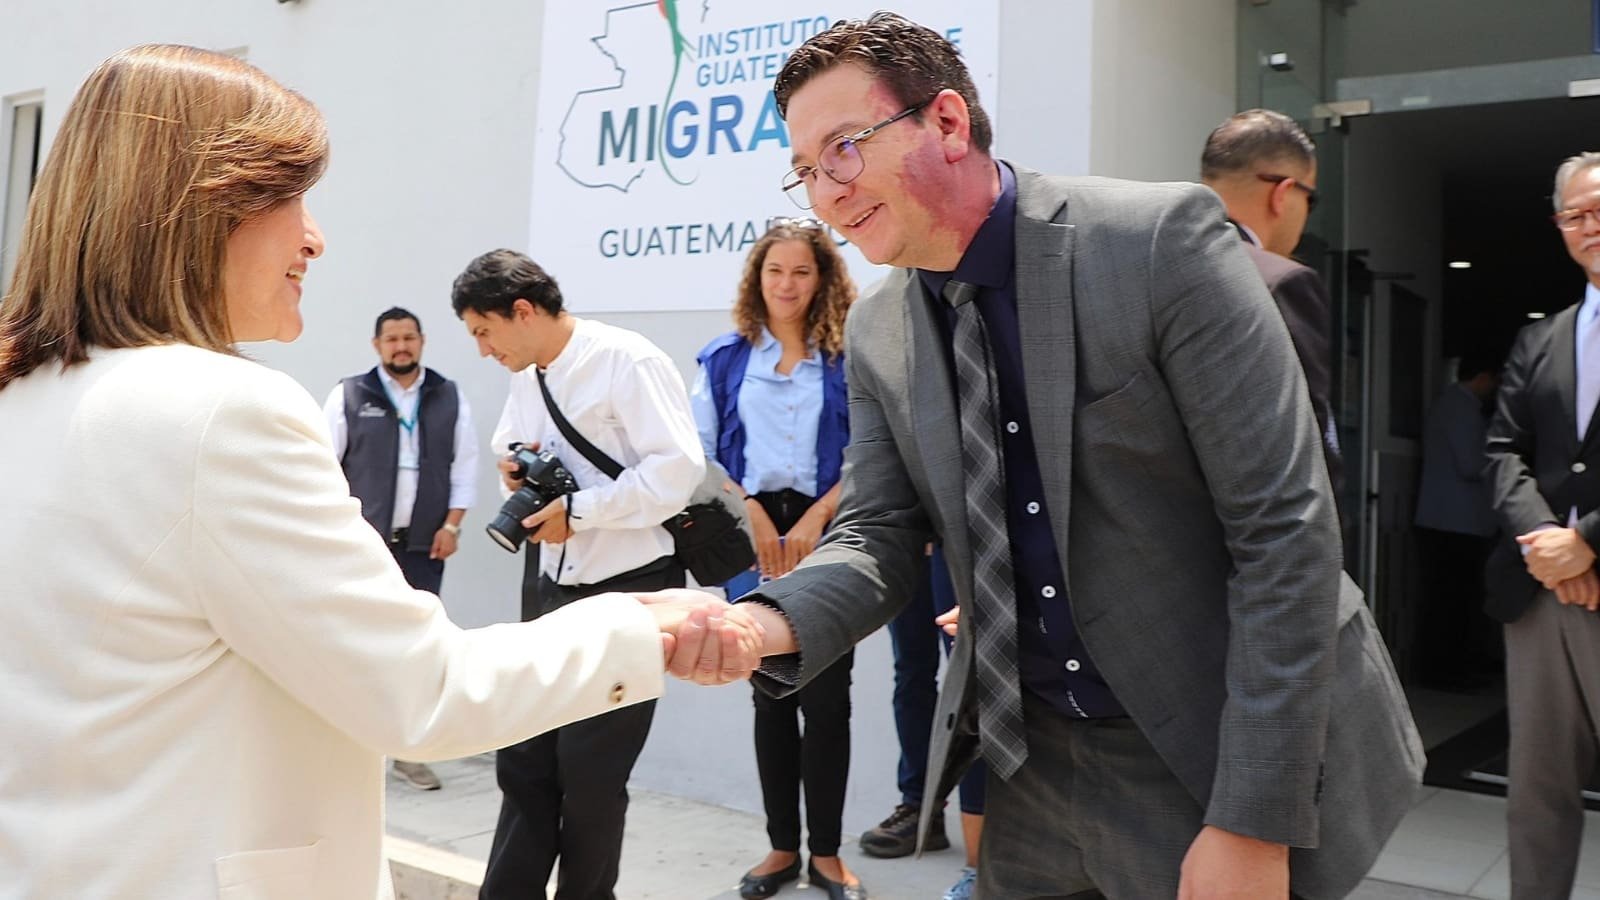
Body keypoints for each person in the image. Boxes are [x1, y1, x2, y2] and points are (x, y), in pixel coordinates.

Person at [657, 13, 1422, 898]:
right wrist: (754, 624)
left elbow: (1283, 531)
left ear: (947, 122)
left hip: (1203, 744)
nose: (826, 194)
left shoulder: (1155, 242)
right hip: (1026, 761)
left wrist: (1253, 817)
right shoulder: (878, 329)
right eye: (805, 170)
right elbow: (877, 535)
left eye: (843, 149)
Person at [0, 44, 755, 900]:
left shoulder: (26, 395)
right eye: (290, 197)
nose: (314, 237)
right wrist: (639, 626)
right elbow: (424, 694)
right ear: (197, 208)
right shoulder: (223, 412)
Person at [451, 248, 706, 900]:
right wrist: (515, 470)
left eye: (484, 331)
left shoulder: (628, 361)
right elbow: (510, 444)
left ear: (522, 311)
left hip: (629, 589)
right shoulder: (527, 372)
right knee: (524, 758)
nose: (482, 349)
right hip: (547, 584)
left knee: (591, 779)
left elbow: (677, 473)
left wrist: (582, 512)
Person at [689, 219, 862, 899]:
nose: (786, 285)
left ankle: (828, 856)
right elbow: (701, 455)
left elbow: (871, 449)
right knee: (769, 694)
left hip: (829, 529)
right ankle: (781, 848)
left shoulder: (848, 357)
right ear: (756, 279)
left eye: (801, 272)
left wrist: (818, 518)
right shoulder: (725, 358)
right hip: (751, 529)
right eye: (775, 271)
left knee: (829, 700)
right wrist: (755, 514)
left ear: (822, 281)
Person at [1484, 150, 1600, 900]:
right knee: (1538, 793)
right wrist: (1549, 547)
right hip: (1540, 595)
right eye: (1576, 215)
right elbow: (1503, 451)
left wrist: (1588, 542)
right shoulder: (1541, 338)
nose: (1591, 226)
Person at [324, 306, 479, 791]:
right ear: (377, 346)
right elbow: (324, 470)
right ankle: (349, 750)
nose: (401, 346)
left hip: (424, 546)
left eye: (409, 337)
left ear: (422, 341)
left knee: (417, 650)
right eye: (391, 339)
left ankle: (409, 755)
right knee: (356, 647)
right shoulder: (351, 395)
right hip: (364, 547)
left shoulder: (447, 395)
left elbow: (465, 467)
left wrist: (452, 526)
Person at [1200, 109, 1342, 500]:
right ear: (1283, 194)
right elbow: (1304, 452)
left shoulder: (1138, 266)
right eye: (1310, 199)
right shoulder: (1280, 281)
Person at [859, 546, 986, 900]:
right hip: (910, 543)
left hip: (956, 540)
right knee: (911, 674)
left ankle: (980, 858)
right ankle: (920, 810)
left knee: (970, 684)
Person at [1413, 350, 1500, 689]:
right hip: (1455, 522)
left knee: (1448, 598)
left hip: (1448, 519)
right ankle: (1446, 671)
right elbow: (1471, 464)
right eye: (1493, 382)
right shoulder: (1461, 408)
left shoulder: (1450, 404)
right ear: (1482, 378)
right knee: (1452, 601)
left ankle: (1448, 668)